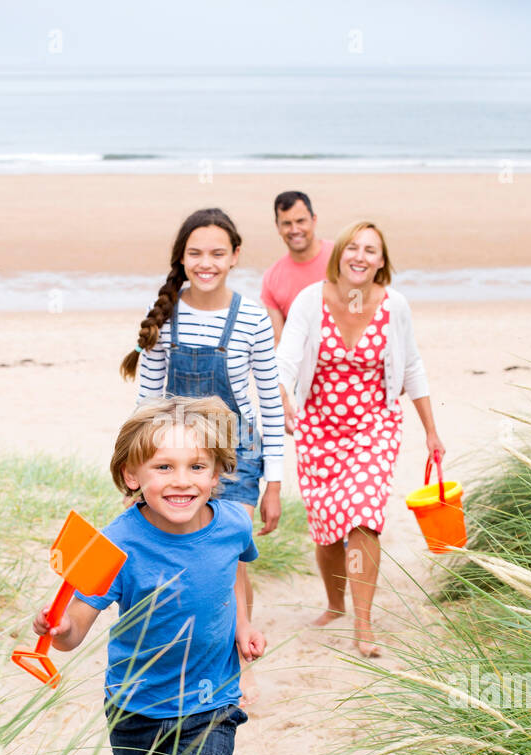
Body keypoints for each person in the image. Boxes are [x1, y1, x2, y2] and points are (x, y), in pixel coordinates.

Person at [32, 396, 265, 755]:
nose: (181, 481)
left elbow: (237, 571)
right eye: (163, 467)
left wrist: (243, 624)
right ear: (132, 476)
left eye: (196, 467)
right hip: (136, 704)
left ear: (217, 474)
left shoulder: (233, 521)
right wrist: (57, 630)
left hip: (212, 704)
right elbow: (73, 632)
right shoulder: (113, 545)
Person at [120, 207, 283, 701]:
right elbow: (145, 403)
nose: (206, 262)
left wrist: (274, 482)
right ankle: (178, 657)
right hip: (174, 454)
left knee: (229, 559)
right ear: (182, 258)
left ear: (235, 256)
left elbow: (270, 403)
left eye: (217, 253)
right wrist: (136, 467)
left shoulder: (252, 317)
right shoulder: (163, 317)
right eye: (195, 253)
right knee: (179, 557)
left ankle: (239, 660)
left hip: (238, 453)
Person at [276, 220, 445, 656]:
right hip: (319, 430)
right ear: (340, 254)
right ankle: (335, 604)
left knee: (363, 515)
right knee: (328, 529)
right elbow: (287, 358)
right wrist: (284, 398)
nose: (360, 256)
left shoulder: (395, 306)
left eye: (371, 250)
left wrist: (430, 430)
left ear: (381, 261)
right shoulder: (310, 301)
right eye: (353, 247)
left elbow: (412, 368)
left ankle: (363, 624)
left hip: (374, 426)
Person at [261, 191, 334, 344]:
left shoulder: (341, 257)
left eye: (301, 221)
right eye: (287, 223)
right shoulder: (271, 279)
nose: (294, 230)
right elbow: (278, 340)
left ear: (314, 220)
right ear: (278, 227)